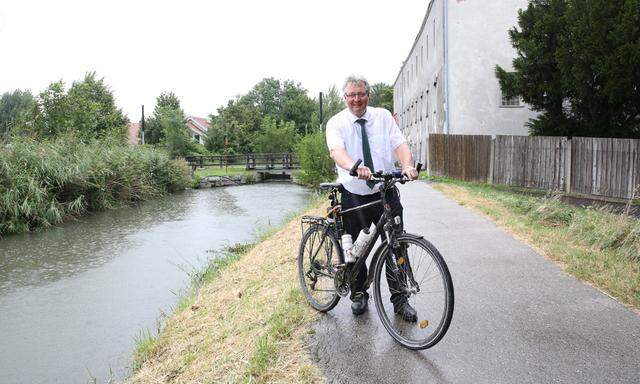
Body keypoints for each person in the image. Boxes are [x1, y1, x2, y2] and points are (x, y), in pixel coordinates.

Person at [325, 75, 419, 321]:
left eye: (361, 94)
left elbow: (399, 144)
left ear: (369, 95)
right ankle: (358, 293)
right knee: (357, 248)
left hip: (384, 191)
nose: (356, 99)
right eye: (351, 95)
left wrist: (407, 165)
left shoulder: (383, 117)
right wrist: (354, 166)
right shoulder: (336, 123)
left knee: (396, 244)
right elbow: (337, 151)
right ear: (345, 98)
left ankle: (400, 299)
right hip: (354, 194)